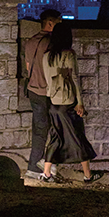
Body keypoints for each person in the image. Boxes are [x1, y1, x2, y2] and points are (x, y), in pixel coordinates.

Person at [41, 22, 100, 183]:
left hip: (53, 101)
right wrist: (80, 102)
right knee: (78, 137)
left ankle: (46, 173)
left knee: (55, 136)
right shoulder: (68, 54)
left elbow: (48, 78)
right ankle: (87, 175)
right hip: (67, 102)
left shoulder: (46, 56)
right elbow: (74, 79)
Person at [24, 8, 62, 181]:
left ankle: (33, 167)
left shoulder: (30, 42)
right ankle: (48, 166)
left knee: (39, 131)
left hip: (33, 90)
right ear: (50, 23)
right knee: (56, 129)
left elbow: (27, 67)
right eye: (58, 23)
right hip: (49, 92)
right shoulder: (52, 43)